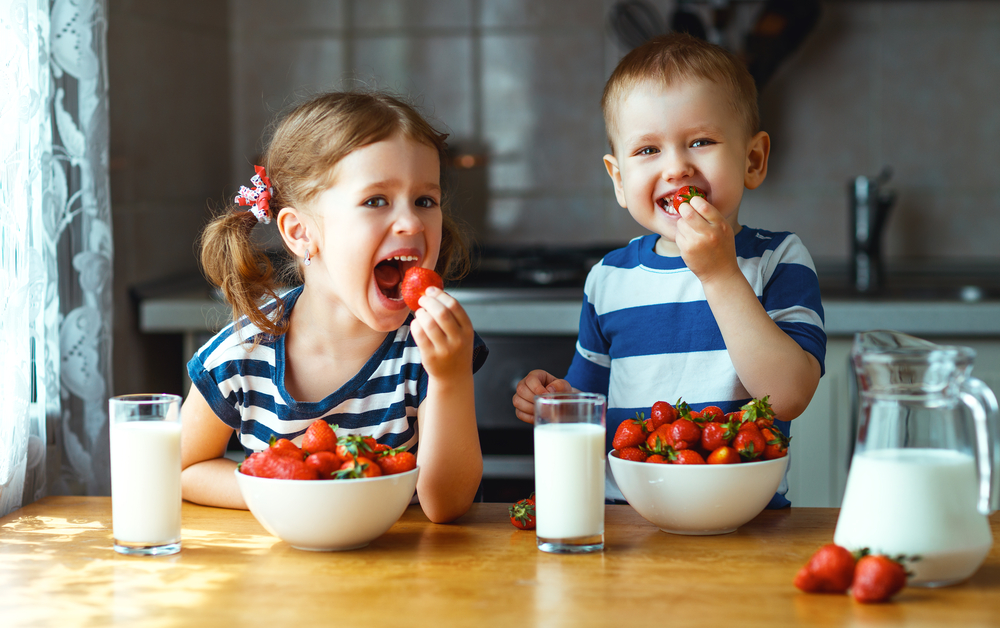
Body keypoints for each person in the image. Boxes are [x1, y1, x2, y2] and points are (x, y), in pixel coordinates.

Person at [512, 33, 826, 507]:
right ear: (619, 180)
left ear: (753, 160)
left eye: (700, 141)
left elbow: (789, 397)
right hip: (625, 523)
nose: (676, 168)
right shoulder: (608, 279)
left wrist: (720, 275)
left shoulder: (779, 259)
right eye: (647, 151)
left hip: (746, 521)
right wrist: (552, 402)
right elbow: (587, 412)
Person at [181, 91, 487, 523]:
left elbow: (446, 504)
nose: (413, 223)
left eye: (425, 201)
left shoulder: (429, 353)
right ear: (301, 232)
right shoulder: (241, 355)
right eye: (376, 200)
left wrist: (451, 378)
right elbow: (184, 468)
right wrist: (295, 489)